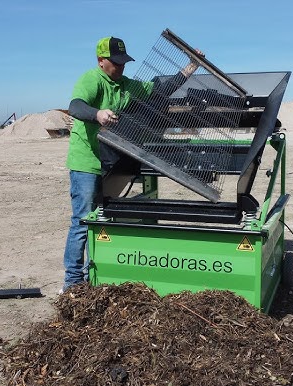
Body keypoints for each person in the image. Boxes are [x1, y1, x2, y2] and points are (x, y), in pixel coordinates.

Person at [61, 36, 202, 292]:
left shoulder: (126, 85)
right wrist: (97, 113)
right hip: (86, 161)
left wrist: (189, 69)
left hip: (108, 160)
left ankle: (95, 273)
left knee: (101, 219)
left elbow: (159, 90)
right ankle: (72, 282)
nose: (121, 67)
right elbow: (75, 106)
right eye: (115, 62)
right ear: (101, 61)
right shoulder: (91, 80)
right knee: (83, 221)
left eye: (124, 62)